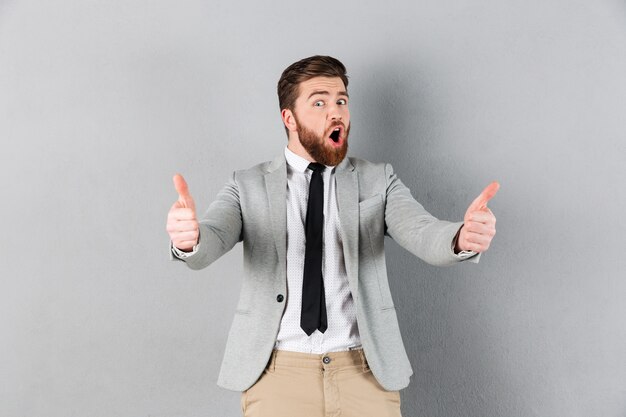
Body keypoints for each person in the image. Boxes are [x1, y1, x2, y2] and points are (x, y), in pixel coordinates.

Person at [166, 55, 498, 417]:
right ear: (289, 118)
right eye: (319, 102)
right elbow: (211, 237)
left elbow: (423, 232)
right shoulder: (246, 185)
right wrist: (189, 239)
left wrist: (461, 238)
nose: (335, 112)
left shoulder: (378, 179)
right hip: (277, 376)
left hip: (365, 375)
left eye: (341, 100)